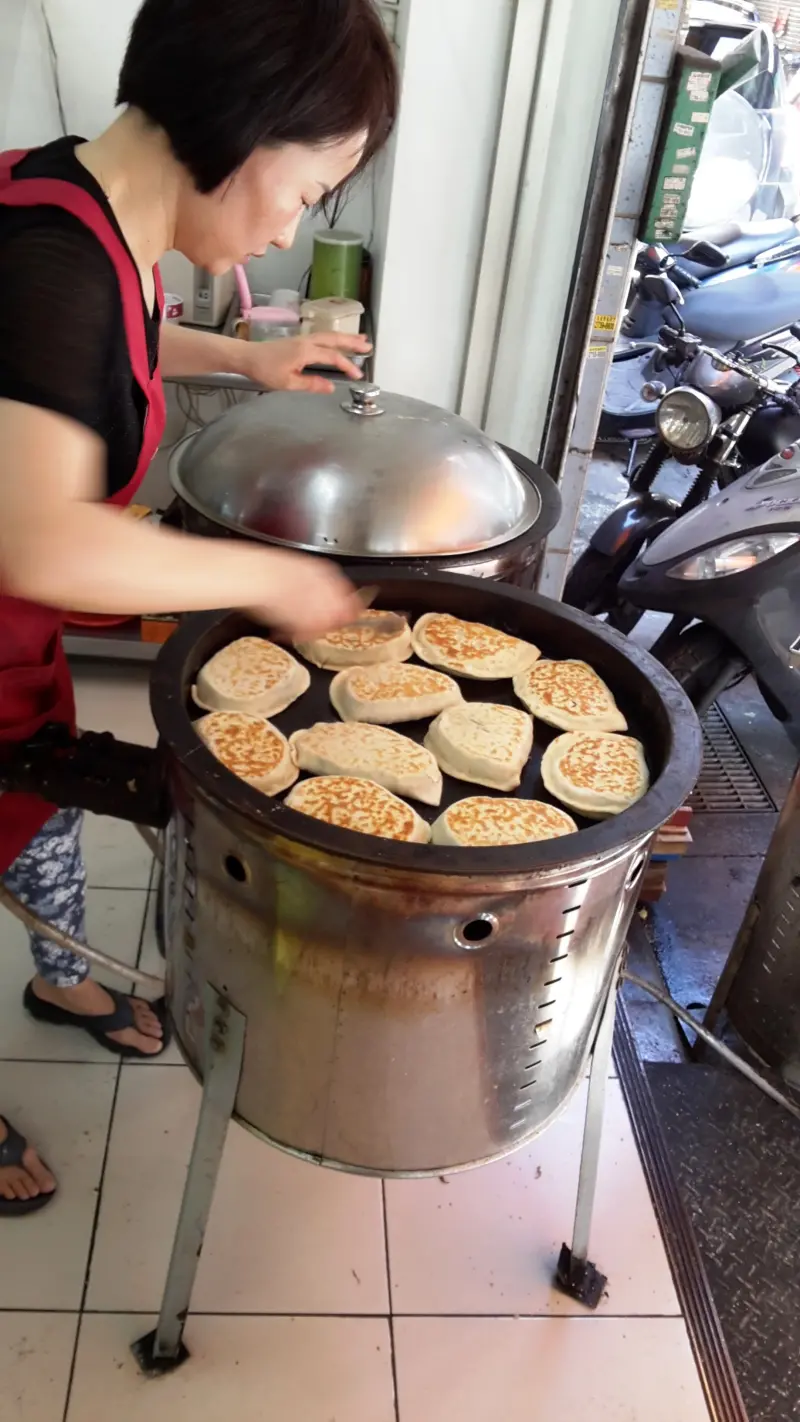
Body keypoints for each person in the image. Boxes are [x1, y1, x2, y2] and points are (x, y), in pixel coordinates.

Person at [0, 0, 398, 1213]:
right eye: (312, 185)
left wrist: (247, 360)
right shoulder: (51, 264)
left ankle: (60, 981)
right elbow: (37, 536)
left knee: (39, 815)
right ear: (244, 124)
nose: (296, 223)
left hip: (10, 654)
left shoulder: (79, 194)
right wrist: (270, 577)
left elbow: (101, 357)